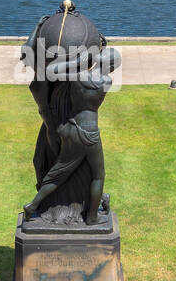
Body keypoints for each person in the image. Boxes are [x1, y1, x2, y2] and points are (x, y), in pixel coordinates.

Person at [23, 46, 120, 224]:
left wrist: (78, 61)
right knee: (98, 175)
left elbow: (51, 71)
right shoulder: (107, 81)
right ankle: (92, 217)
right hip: (89, 133)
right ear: (112, 67)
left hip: (71, 128)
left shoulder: (79, 76)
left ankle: (33, 205)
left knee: (58, 173)